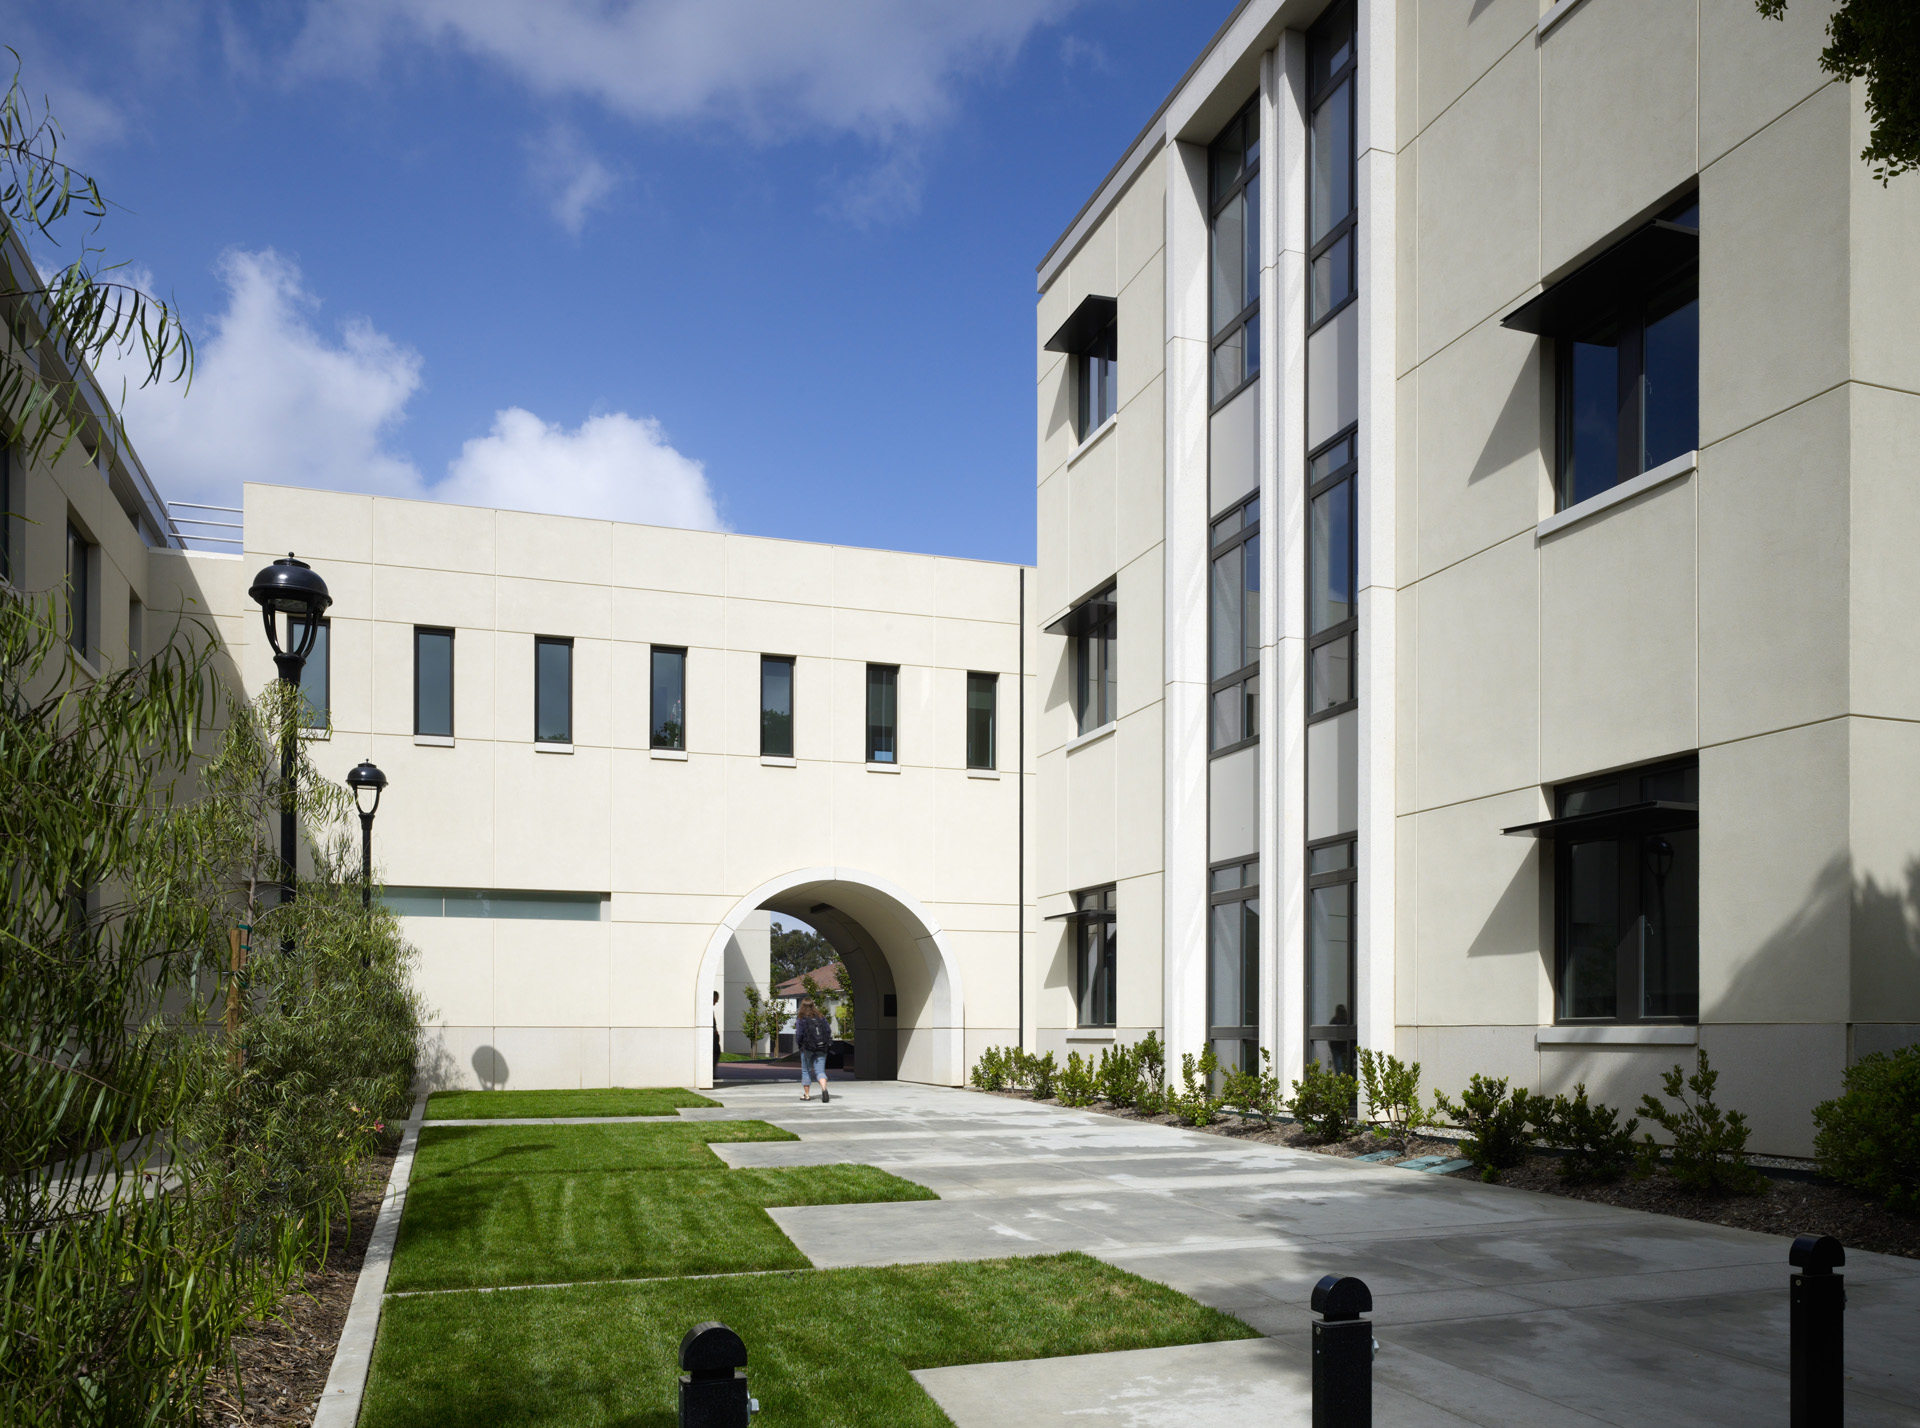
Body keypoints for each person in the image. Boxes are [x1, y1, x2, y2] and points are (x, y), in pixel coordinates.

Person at [796, 998, 833, 1103]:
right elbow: (828, 1030)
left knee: (806, 1070)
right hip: (821, 1047)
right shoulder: (821, 1017)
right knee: (820, 1071)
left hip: (807, 1047)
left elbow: (799, 1034)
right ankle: (824, 1088)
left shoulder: (801, 1018)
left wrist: (799, 1044)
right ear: (813, 1005)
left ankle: (807, 1095)